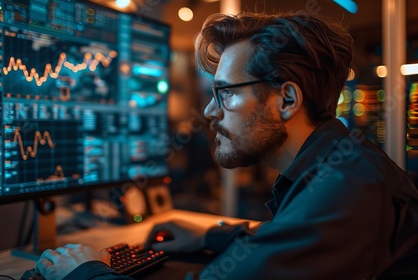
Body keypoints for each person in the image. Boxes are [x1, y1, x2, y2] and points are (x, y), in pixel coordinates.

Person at [34, 12, 418, 280]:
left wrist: (84, 272)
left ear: (286, 100)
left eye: (225, 94)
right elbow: (287, 245)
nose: (209, 111)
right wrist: (211, 236)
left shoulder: (343, 192)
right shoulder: (342, 167)